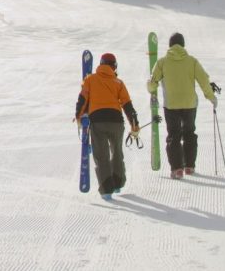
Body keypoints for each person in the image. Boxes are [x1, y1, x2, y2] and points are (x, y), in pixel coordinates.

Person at [147, 32, 217, 179]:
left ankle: (177, 169)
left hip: (171, 105)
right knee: (189, 133)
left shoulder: (162, 62)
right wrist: (211, 97)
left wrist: (152, 90)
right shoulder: (192, 61)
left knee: (174, 135)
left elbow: (152, 83)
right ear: (183, 45)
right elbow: (204, 80)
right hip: (190, 104)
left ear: (170, 45)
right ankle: (189, 166)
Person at [75, 53, 140, 200]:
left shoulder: (90, 79)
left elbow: (83, 99)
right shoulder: (118, 83)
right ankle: (117, 183)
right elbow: (127, 104)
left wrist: (79, 117)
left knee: (101, 155)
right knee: (117, 152)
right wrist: (134, 125)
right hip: (116, 122)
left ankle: (106, 190)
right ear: (114, 66)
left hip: (97, 121)